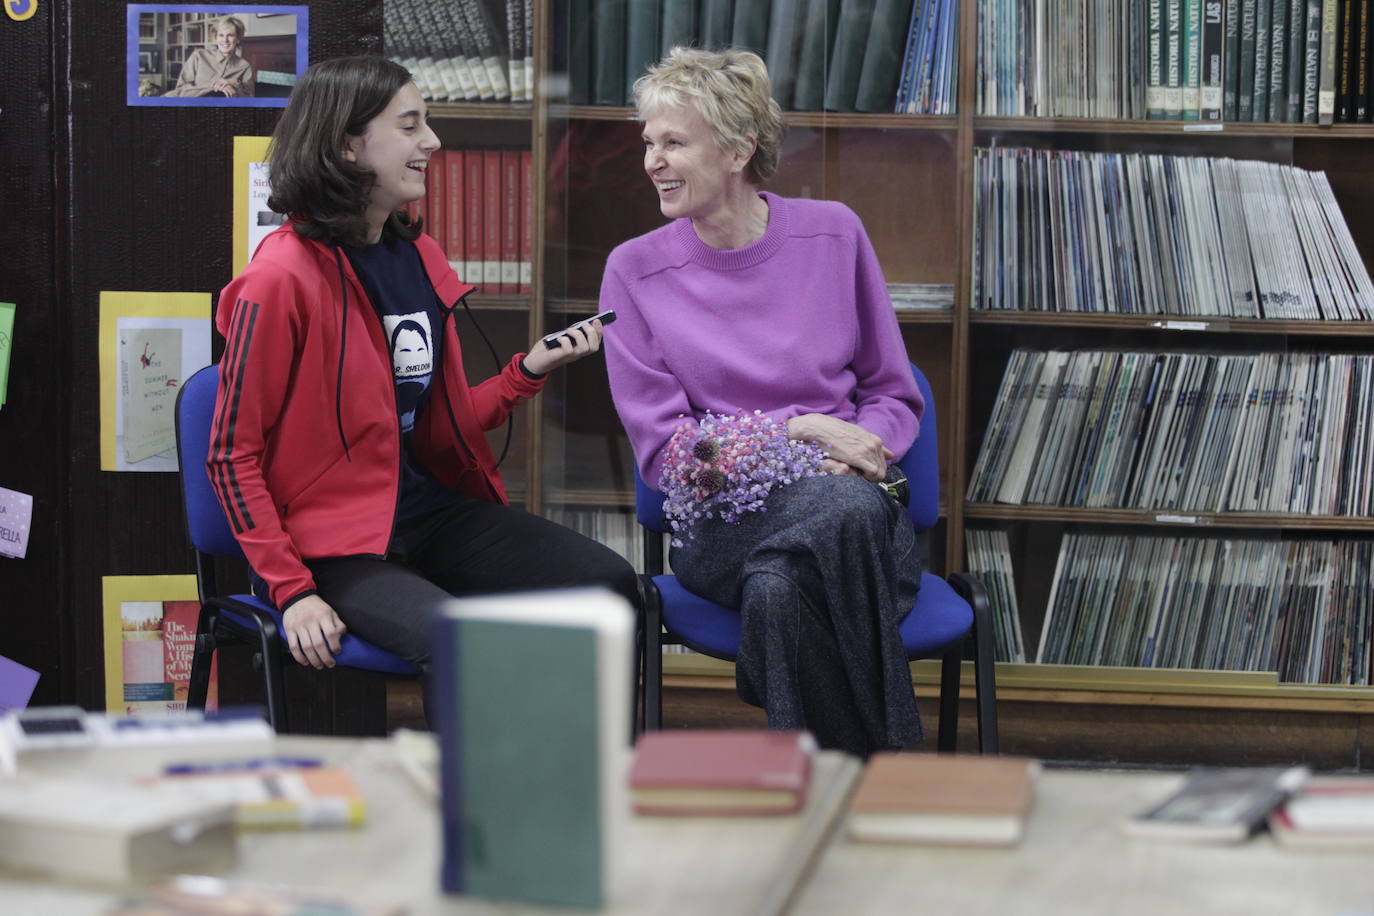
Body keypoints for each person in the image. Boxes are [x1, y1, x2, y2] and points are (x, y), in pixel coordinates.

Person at [209, 55, 639, 720]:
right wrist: (292, 591)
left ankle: (590, 787)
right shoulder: (280, 280)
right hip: (332, 549)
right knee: (459, 640)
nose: (432, 142)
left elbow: (433, 430)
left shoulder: (416, 255)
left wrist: (525, 374)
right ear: (348, 145)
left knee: (608, 584)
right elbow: (230, 457)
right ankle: (469, 817)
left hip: (426, 515)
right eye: (410, 126)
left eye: (428, 123)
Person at [601, 47, 926, 758]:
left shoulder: (834, 233)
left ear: (740, 150)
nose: (653, 160)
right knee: (840, 515)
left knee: (780, 592)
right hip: (722, 525)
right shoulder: (633, 271)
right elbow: (670, 454)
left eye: (674, 142)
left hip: (855, 505)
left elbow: (892, 392)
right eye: (648, 142)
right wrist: (810, 432)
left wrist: (859, 454)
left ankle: (815, 794)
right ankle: (890, 777)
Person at [165, 16, 256, 98]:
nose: (225, 40)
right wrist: (212, 86)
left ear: (238, 39)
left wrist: (235, 83)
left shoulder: (244, 66)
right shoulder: (199, 56)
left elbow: (249, 98)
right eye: (221, 35)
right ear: (216, 37)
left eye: (230, 35)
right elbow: (181, 90)